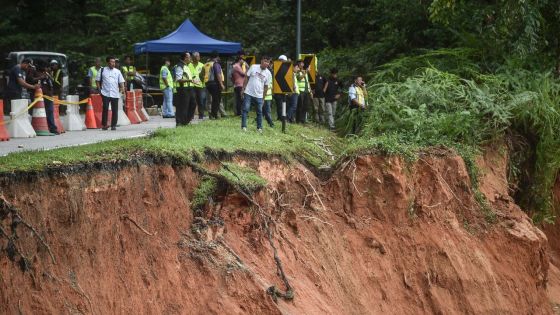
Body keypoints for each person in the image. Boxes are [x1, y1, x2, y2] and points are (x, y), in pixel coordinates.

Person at [241, 56, 272, 132]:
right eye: (265, 61)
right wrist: (243, 88)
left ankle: (259, 128)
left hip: (259, 95)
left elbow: (266, 87)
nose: (266, 63)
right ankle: (244, 126)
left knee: (259, 112)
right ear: (261, 61)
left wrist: (263, 98)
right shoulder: (253, 67)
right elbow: (246, 77)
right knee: (245, 109)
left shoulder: (268, 73)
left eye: (268, 62)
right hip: (248, 92)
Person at [96, 56, 125, 130]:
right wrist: (99, 90)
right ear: (108, 63)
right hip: (105, 93)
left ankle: (113, 125)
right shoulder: (102, 70)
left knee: (115, 109)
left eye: (114, 62)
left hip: (115, 93)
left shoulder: (117, 71)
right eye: (111, 62)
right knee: (105, 108)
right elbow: (97, 80)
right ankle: (104, 125)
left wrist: (123, 90)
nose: (113, 64)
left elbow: (121, 82)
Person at [36, 61, 59, 135]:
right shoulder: (39, 75)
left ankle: (51, 127)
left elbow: (52, 83)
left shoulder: (47, 74)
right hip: (44, 96)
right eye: (48, 67)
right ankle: (52, 128)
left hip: (49, 96)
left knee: (50, 112)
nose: (49, 69)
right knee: (48, 112)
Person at [174, 52, 196, 126]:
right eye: (189, 57)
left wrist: (193, 80)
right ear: (185, 58)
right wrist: (190, 80)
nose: (190, 58)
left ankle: (186, 121)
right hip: (182, 88)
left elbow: (187, 77)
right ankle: (180, 123)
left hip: (189, 88)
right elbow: (179, 79)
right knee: (183, 106)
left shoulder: (187, 66)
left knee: (193, 104)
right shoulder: (180, 66)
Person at [205, 52, 225, 119]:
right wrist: (221, 84)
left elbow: (201, 74)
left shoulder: (206, 64)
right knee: (216, 99)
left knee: (212, 100)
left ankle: (213, 114)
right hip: (215, 84)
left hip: (208, 84)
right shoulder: (216, 64)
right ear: (217, 57)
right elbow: (218, 74)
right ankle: (214, 115)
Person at [189, 52, 205, 119]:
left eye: (198, 56)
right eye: (196, 57)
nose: (197, 58)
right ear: (193, 57)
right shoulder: (189, 65)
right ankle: (191, 116)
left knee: (200, 101)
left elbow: (205, 75)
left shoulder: (202, 65)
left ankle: (201, 116)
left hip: (200, 86)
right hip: (192, 85)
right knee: (192, 101)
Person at [274, 55, 288, 120]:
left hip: (284, 90)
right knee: (279, 105)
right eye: (284, 61)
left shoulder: (286, 68)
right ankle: (280, 118)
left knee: (284, 104)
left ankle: (283, 117)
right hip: (278, 90)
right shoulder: (275, 68)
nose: (285, 62)